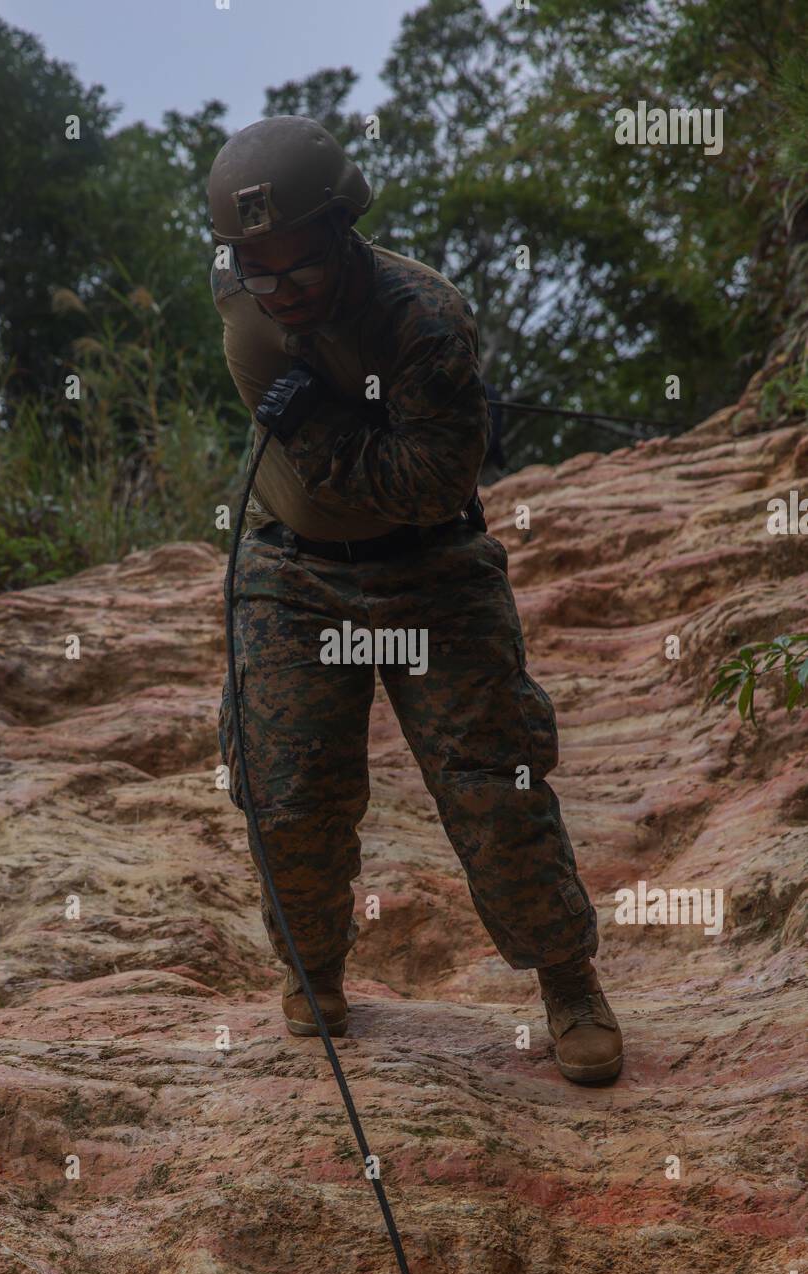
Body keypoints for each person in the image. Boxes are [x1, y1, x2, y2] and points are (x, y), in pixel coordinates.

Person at [208, 116, 623, 1083]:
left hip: (430, 573)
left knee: (495, 787)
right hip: (291, 574)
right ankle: (310, 974)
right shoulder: (238, 291)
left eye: (296, 269)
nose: (277, 291)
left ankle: (567, 983)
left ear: (343, 230)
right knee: (287, 794)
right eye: (255, 269)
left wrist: (320, 425)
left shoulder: (423, 317)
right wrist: (340, 424)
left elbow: (428, 484)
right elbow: (329, 460)